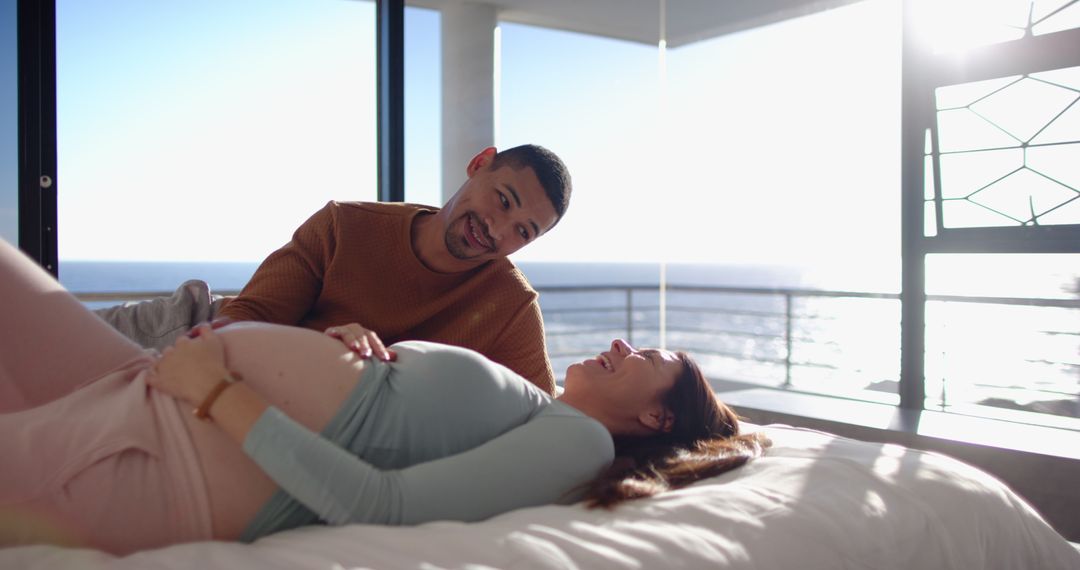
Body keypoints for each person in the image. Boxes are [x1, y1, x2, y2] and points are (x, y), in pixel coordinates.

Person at [0, 237, 769, 555]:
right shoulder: (539, 411)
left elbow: (382, 501)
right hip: (157, 387)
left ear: (658, 416)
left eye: (646, 358)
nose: (620, 345)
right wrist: (357, 349)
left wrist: (221, 390)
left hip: (169, 447)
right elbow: (387, 418)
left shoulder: (584, 443)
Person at [94, 144, 573, 394]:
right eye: (503, 200)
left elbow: (544, 416)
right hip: (196, 326)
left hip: (278, 397)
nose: (496, 228)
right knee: (32, 337)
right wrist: (325, 353)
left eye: (523, 232)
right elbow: (243, 320)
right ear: (478, 164)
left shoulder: (510, 307)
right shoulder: (345, 224)